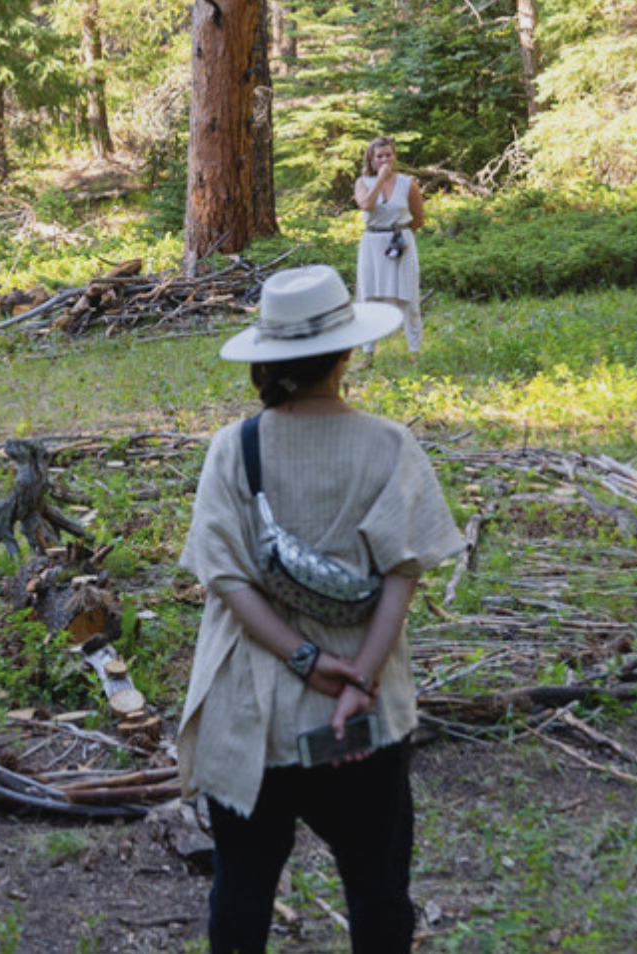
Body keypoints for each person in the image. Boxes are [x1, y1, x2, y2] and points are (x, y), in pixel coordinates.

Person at [177, 264, 462, 954]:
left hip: (253, 717)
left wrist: (305, 661)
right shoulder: (389, 445)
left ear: (269, 358)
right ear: (346, 353)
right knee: (377, 887)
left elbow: (228, 581)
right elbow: (402, 574)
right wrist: (361, 676)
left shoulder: (234, 449)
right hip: (361, 718)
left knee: (242, 890)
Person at [352, 138, 427, 353]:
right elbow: (367, 205)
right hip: (372, 244)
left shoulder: (408, 183)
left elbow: (418, 219)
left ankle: (414, 351)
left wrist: (398, 235)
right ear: (371, 159)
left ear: (395, 156)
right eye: (379, 156)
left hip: (400, 242)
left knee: (409, 297)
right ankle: (368, 354)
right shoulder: (362, 183)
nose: (384, 160)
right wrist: (380, 179)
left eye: (388, 155)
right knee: (368, 297)